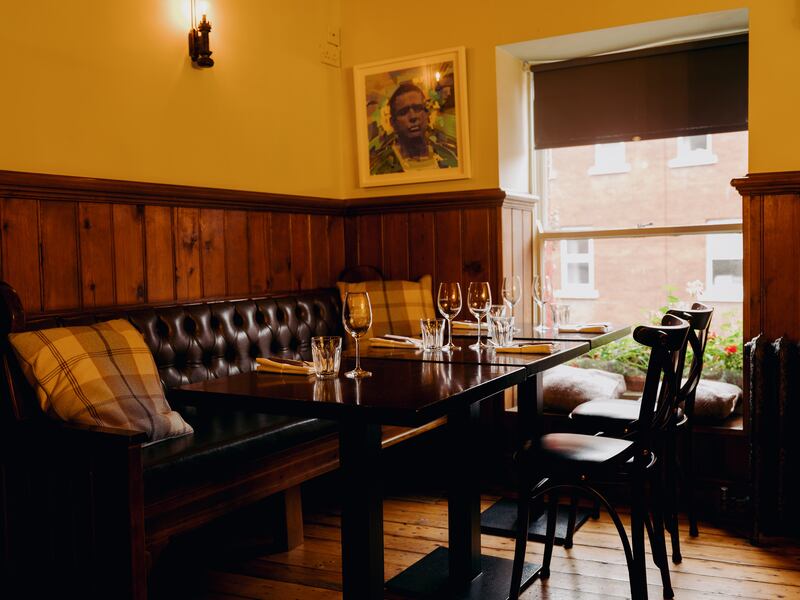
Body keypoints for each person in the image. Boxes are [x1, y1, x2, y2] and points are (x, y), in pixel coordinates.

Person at [369, 82, 458, 175]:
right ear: (393, 122)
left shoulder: (448, 156)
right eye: (403, 112)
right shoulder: (381, 167)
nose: (413, 117)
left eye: (418, 108)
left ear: (427, 114)